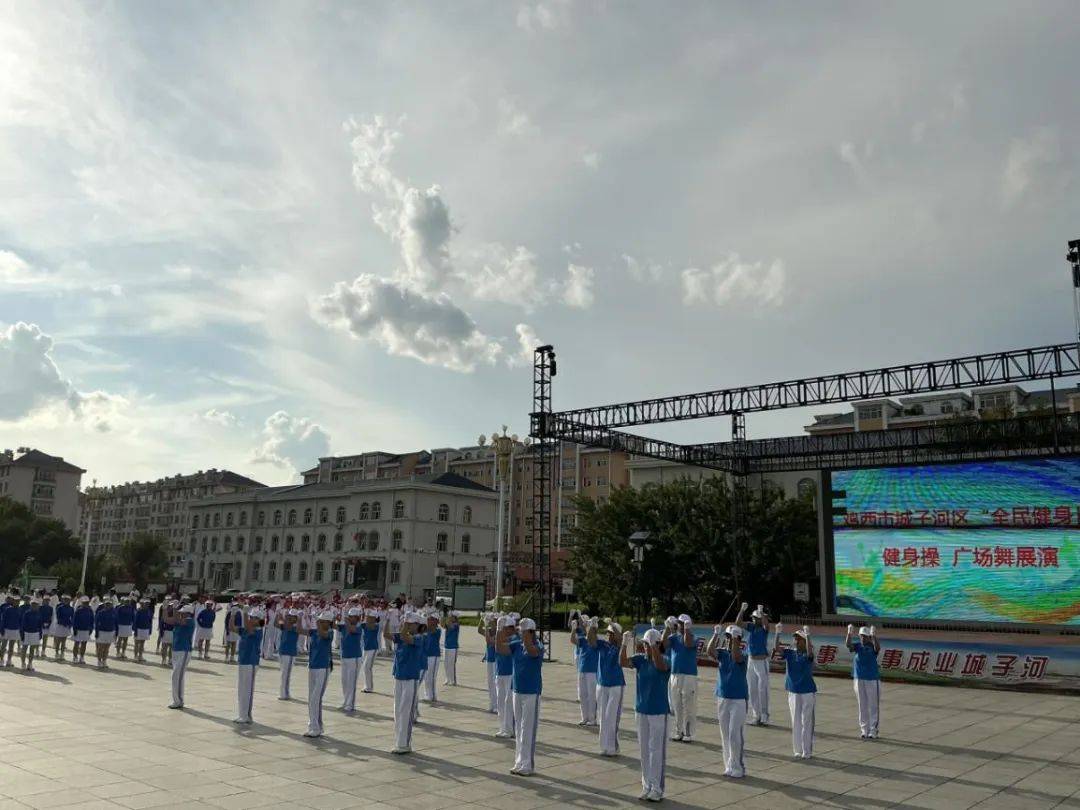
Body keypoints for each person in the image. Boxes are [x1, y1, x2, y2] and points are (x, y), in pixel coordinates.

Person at [621, 627, 670, 802]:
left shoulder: (665, 658)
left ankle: (657, 788)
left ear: (656, 644)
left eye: (648, 645)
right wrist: (624, 644)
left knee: (656, 750)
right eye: (644, 645)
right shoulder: (640, 660)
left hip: (658, 711)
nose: (645, 648)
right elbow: (623, 662)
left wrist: (654, 647)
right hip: (641, 709)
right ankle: (647, 785)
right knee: (644, 751)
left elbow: (660, 665)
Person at [501, 617, 543, 776]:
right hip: (517, 690)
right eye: (520, 630)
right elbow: (499, 648)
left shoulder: (538, 645)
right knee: (519, 728)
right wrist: (499, 629)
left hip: (532, 692)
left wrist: (526, 638)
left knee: (528, 729)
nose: (520, 633)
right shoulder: (516, 645)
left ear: (531, 632)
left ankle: (528, 764)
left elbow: (532, 652)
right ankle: (519, 761)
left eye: (524, 631)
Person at [707, 624, 748, 778]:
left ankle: (738, 766)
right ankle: (729, 765)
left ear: (737, 639)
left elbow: (736, 657)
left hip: (738, 699)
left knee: (734, 733)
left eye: (731, 637)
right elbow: (709, 651)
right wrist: (716, 634)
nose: (728, 640)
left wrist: (736, 640)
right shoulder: (722, 653)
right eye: (728, 637)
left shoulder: (744, 654)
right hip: (723, 697)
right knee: (724, 734)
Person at [775, 623, 816, 759]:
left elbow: (810, 653)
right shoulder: (790, 653)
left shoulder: (808, 654)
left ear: (804, 641)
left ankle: (807, 751)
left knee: (807, 722)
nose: (796, 641)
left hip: (807, 691)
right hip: (793, 691)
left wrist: (808, 635)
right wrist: (777, 633)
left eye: (799, 639)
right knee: (796, 721)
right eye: (795, 638)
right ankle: (797, 750)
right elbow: (776, 649)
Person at [588, 619, 626, 756]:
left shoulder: (619, 646)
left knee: (612, 717)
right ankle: (604, 746)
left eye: (611, 633)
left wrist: (614, 626)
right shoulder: (603, 645)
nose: (609, 635)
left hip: (616, 685)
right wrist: (592, 627)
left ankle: (613, 747)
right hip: (602, 684)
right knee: (603, 717)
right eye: (608, 633)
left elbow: (620, 639)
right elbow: (591, 640)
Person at [387, 611, 423, 753]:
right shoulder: (402, 636)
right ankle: (398, 741)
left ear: (417, 625)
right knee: (397, 711)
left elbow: (404, 636)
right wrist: (388, 620)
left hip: (410, 678)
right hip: (399, 676)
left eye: (411, 623)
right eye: (407, 623)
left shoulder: (419, 637)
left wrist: (404, 626)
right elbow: (386, 634)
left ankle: (405, 744)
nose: (408, 625)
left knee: (406, 711)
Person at [664, 614, 699, 742]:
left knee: (688, 705)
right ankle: (679, 731)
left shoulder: (694, 637)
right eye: (679, 623)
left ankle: (688, 733)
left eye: (682, 623)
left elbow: (687, 643)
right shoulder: (673, 637)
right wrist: (668, 627)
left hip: (689, 675)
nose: (679, 625)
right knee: (677, 704)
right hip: (675, 674)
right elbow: (664, 644)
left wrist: (687, 629)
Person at [736, 602, 771, 726]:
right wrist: (742, 610)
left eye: (757, 618)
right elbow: (738, 623)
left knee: (763, 689)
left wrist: (762, 613)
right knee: (752, 689)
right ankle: (756, 715)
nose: (754, 619)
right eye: (754, 618)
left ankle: (765, 715)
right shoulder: (751, 627)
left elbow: (767, 625)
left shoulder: (764, 629)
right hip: (751, 661)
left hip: (762, 662)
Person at [845, 624, 881, 739]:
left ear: (868, 637)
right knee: (862, 704)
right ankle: (864, 729)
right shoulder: (857, 646)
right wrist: (849, 633)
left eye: (865, 636)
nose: (863, 638)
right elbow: (848, 645)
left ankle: (873, 730)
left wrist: (874, 636)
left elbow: (878, 649)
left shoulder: (872, 646)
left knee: (873, 705)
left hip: (872, 679)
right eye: (861, 636)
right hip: (859, 679)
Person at [304, 611, 335, 738]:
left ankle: (315, 727)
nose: (321, 623)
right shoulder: (315, 632)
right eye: (320, 621)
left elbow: (323, 634)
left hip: (322, 668)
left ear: (329, 623)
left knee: (315, 699)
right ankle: (316, 726)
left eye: (323, 621)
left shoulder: (330, 633)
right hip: (312, 666)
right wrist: (303, 617)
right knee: (312, 698)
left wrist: (316, 622)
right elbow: (300, 630)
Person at [235, 608, 264, 724]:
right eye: (251, 617)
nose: (251, 619)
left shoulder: (258, 630)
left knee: (247, 689)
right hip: (243, 661)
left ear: (259, 620)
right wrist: (233, 614)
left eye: (254, 617)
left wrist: (245, 613)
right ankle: (242, 714)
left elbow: (248, 627)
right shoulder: (247, 629)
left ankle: (246, 715)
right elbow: (232, 627)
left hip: (251, 662)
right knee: (242, 689)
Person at [573, 616, 600, 726]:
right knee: (583, 695)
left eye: (590, 628)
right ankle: (584, 717)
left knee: (592, 695)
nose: (587, 629)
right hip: (582, 670)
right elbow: (572, 640)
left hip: (592, 671)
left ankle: (592, 719)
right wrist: (573, 629)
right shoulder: (583, 640)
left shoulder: (597, 641)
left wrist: (592, 626)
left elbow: (592, 638)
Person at [168, 603, 196, 709]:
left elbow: (177, 619)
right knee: (176, 676)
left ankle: (178, 700)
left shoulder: (189, 621)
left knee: (177, 676)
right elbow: (167, 619)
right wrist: (167, 607)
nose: (181, 614)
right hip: (176, 650)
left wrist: (175, 609)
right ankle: (178, 699)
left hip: (184, 651)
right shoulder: (181, 621)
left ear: (188, 613)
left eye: (183, 613)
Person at [494, 615, 517, 737]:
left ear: (512, 628)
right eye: (504, 627)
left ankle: (509, 729)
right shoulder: (502, 636)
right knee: (500, 703)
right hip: (500, 672)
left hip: (510, 674)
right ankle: (503, 728)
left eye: (507, 627)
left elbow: (499, 647)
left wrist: (498, 631)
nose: (505, 630)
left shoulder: (514, 639)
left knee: (508, 703)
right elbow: (496, 645)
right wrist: (497, 629)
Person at [339, 608, 362, 712]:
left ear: (357, 618)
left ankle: (350, 704)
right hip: (344, 656)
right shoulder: (345, 626)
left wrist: (346, 621)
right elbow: (334, 625)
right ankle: (345, 701)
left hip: (354, 657)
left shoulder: (359, 626)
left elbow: (352, 630)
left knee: (351, 682)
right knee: (344, 681)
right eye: (349, 616)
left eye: (352, 617)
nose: (350, 618)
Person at [277, 609, 300, 700]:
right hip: (282, 651)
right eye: (290, 616)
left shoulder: (296, 626)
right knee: (283, 673)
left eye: (293, 617)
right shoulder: (286, 624)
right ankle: (284, 692)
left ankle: (284, 693)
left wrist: (284, 617)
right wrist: (279, 615)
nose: (291, 618)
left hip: (290, 653)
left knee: (286, 674)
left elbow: (287, 625)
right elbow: (277, 624)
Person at [19, 596, 44, 671]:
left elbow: (40, 625)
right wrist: (22, 634)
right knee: (24, 649)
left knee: (32, 649)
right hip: (26, 633)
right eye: (33, 604)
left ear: (38, 606)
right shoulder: (27, 613)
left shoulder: (39, 614)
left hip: (35, 633)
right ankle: (23, 663)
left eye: (36, 605)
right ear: (31, 605)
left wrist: (40, 634)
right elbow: (23, 624)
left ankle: (30, 663)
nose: (34, 606)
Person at [480, 614, 498, 713]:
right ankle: (492, 704)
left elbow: (489, 641)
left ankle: (496, 705)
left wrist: (487, 626)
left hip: (496, 661)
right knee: (490, 684)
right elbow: (479, 630)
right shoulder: (490, 632)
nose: (491, 623)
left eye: (493, 621)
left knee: (495, 684)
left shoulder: (498, 634)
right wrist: (482, 619)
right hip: (489, 661)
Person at [421, 613, 442, 703]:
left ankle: (433, 696)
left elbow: (431, 629)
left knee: (432, 677)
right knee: (426, 677)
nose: (429, 620)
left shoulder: (437, 630)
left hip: (434, 656)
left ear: (436, 621)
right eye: (429, 619)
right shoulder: (426, 630)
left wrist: (426, 621)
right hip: (427, 655)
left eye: (431, 619)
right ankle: (427, 694)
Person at [94, 597, 117, 669]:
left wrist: (116, 633)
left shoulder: (114, 613)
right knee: (100, 648)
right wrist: (97, 632)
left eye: (109, 604)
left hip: (110, 632)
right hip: (102, 632)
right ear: (104, 605)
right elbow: (96, 623)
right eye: (107, 604)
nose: (108, 605)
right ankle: (99, 661)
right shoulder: (100, 612)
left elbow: (116, 623)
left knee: (107, 648)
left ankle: (104, 661)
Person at [361, 609, 380, 693]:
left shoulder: (376, 625)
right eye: (367, 617)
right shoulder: (365, 624)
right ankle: (366, 686)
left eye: (369, 617)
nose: (367, 618)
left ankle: (369, 687)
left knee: (367, 667)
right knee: (365, 668)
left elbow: (369, 626)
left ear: (374, 618)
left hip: (373, 649)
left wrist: (366, 617)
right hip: (365, 648)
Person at [72, 596, 94, 665]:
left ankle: (82, 657)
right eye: (84, 603)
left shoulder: (90, 611)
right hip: (78, 629)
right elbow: (74, 620)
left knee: (84, 644)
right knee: (76, 644)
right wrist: (74, 629)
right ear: (82, 603)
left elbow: (92, 621)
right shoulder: (78, 611)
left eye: (87, 603)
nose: (86, 604)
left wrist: (91, 629)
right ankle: (75, 657)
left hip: (86, 630)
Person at [1, 593, 21, 666]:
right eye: (15, 601)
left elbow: (20, 621)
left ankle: (9, 660)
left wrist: (20, 630)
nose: (17, 602)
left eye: (18, 601)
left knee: (11, 646)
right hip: (6, 630)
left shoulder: (20, 610)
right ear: (13, 601)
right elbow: (3, 620)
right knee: (3, 646)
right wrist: (2, 629)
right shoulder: (7, 609)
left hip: (15, 630)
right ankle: (1, 660)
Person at [52, 594, 73, 661]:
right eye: (65, 600)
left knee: (64, 641)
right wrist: (63, 623)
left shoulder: (71, 608)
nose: (66, 601)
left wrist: (70, 624)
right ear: (63, 600)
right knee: (58, 641)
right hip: (60, 625)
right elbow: (58, 617)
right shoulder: (60, 607)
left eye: (68, 600)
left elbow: (72, 617)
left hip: (66, 626)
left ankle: (62, 654)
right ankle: (56, 653)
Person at [442, 611, 460, 686]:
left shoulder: (456, 625)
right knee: (446, 663)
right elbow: (442, 624)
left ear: (455, 618)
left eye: (452, 616)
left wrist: (447, 618)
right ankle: (447, 678)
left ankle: (453, 680)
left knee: (451, 664)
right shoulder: (448, 623)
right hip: (446, 646)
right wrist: (442, 616)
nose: (450, 617)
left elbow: (450, 626)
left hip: (453, 647)